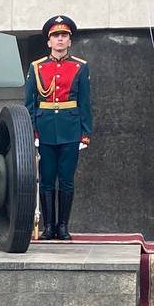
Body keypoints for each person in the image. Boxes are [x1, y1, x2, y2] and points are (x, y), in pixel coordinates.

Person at [25, 16, 92, 241]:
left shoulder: (80, 67)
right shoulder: (36, 67)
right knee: (46, 180)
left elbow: (85, 102)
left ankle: (63, 226)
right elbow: (30, 104)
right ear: (49, 42)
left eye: (64, 36)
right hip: (44, 130)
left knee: (66, 180)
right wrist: (32, 131)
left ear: (69, 41)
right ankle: (48, 227)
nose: (60, 39)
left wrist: (85, 133)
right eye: (56, 36)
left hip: (71, 130)